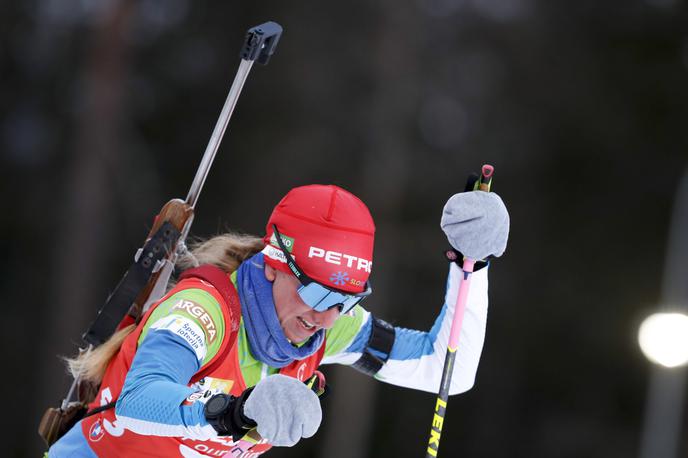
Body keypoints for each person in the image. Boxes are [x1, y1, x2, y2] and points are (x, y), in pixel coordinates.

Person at [48, 183, 509, 457]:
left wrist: (472, 264)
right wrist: (233, 411)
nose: (325, 316)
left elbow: (445, 369)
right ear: (273, 263)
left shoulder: (325, 326)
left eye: (346, 299)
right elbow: (140, 398)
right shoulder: (204, 311)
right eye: (316, 291)